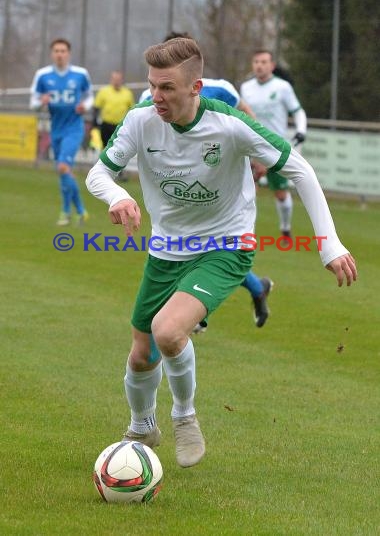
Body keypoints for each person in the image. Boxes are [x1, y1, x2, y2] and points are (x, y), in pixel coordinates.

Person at [86, 38, 356, 469]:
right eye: (153, 86)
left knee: (168, 332)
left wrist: (330, 244)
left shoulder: (229, 125)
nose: (157, 96)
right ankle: (142, 425)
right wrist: (117, 196)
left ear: (196, 87)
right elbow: (99, 172)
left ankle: (184, 416)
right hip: (166, 249)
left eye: (168, 88)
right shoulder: (140, 121)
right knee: (141, 353)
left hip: (226, 246)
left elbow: (300, 170)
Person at [139, 33, 273, 331]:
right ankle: (255, 288)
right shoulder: (150, 98)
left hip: (217, 188)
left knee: (216, 247)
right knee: (195, 248)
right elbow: (144, 131)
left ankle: (198, 312)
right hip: (178, 190)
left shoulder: (222, 89)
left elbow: (248, 118)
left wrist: (258, 158)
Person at [240, 49, 307, 239]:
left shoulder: (282, 87)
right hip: (250, 145)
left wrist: (301, 130)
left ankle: (285, 228)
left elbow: (298, 111)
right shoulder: (246, 87)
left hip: (275, 147)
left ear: (272, 66)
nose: (259, 66)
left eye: (264, 62)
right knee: (245, 190)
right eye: (256, 62)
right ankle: (242, 233)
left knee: (280, 193)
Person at [30, 38, 94, 226]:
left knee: (63, 168)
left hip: (74, 128)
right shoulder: (42, 76)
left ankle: (77, 210)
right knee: (63, 172)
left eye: (63, 50)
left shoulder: (80, 74)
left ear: (69, 53)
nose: (60, 54)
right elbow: (33, 103)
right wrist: (40, 102)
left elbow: (90, 96)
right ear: (52, 54)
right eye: (56, 51)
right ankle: (71, 212)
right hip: (55, 129)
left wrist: (85, 106)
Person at [93, 70, 135, 148]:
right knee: (106, 146)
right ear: (111, 80)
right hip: (106, 125)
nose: (116, 82)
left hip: (120, 126)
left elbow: (132, 109)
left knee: (118, 147)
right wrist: (95, 122)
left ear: (122, 80)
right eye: (114, 79)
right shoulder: (104, 91)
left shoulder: (127, 93)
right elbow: (96, 107)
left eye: (118, 80)